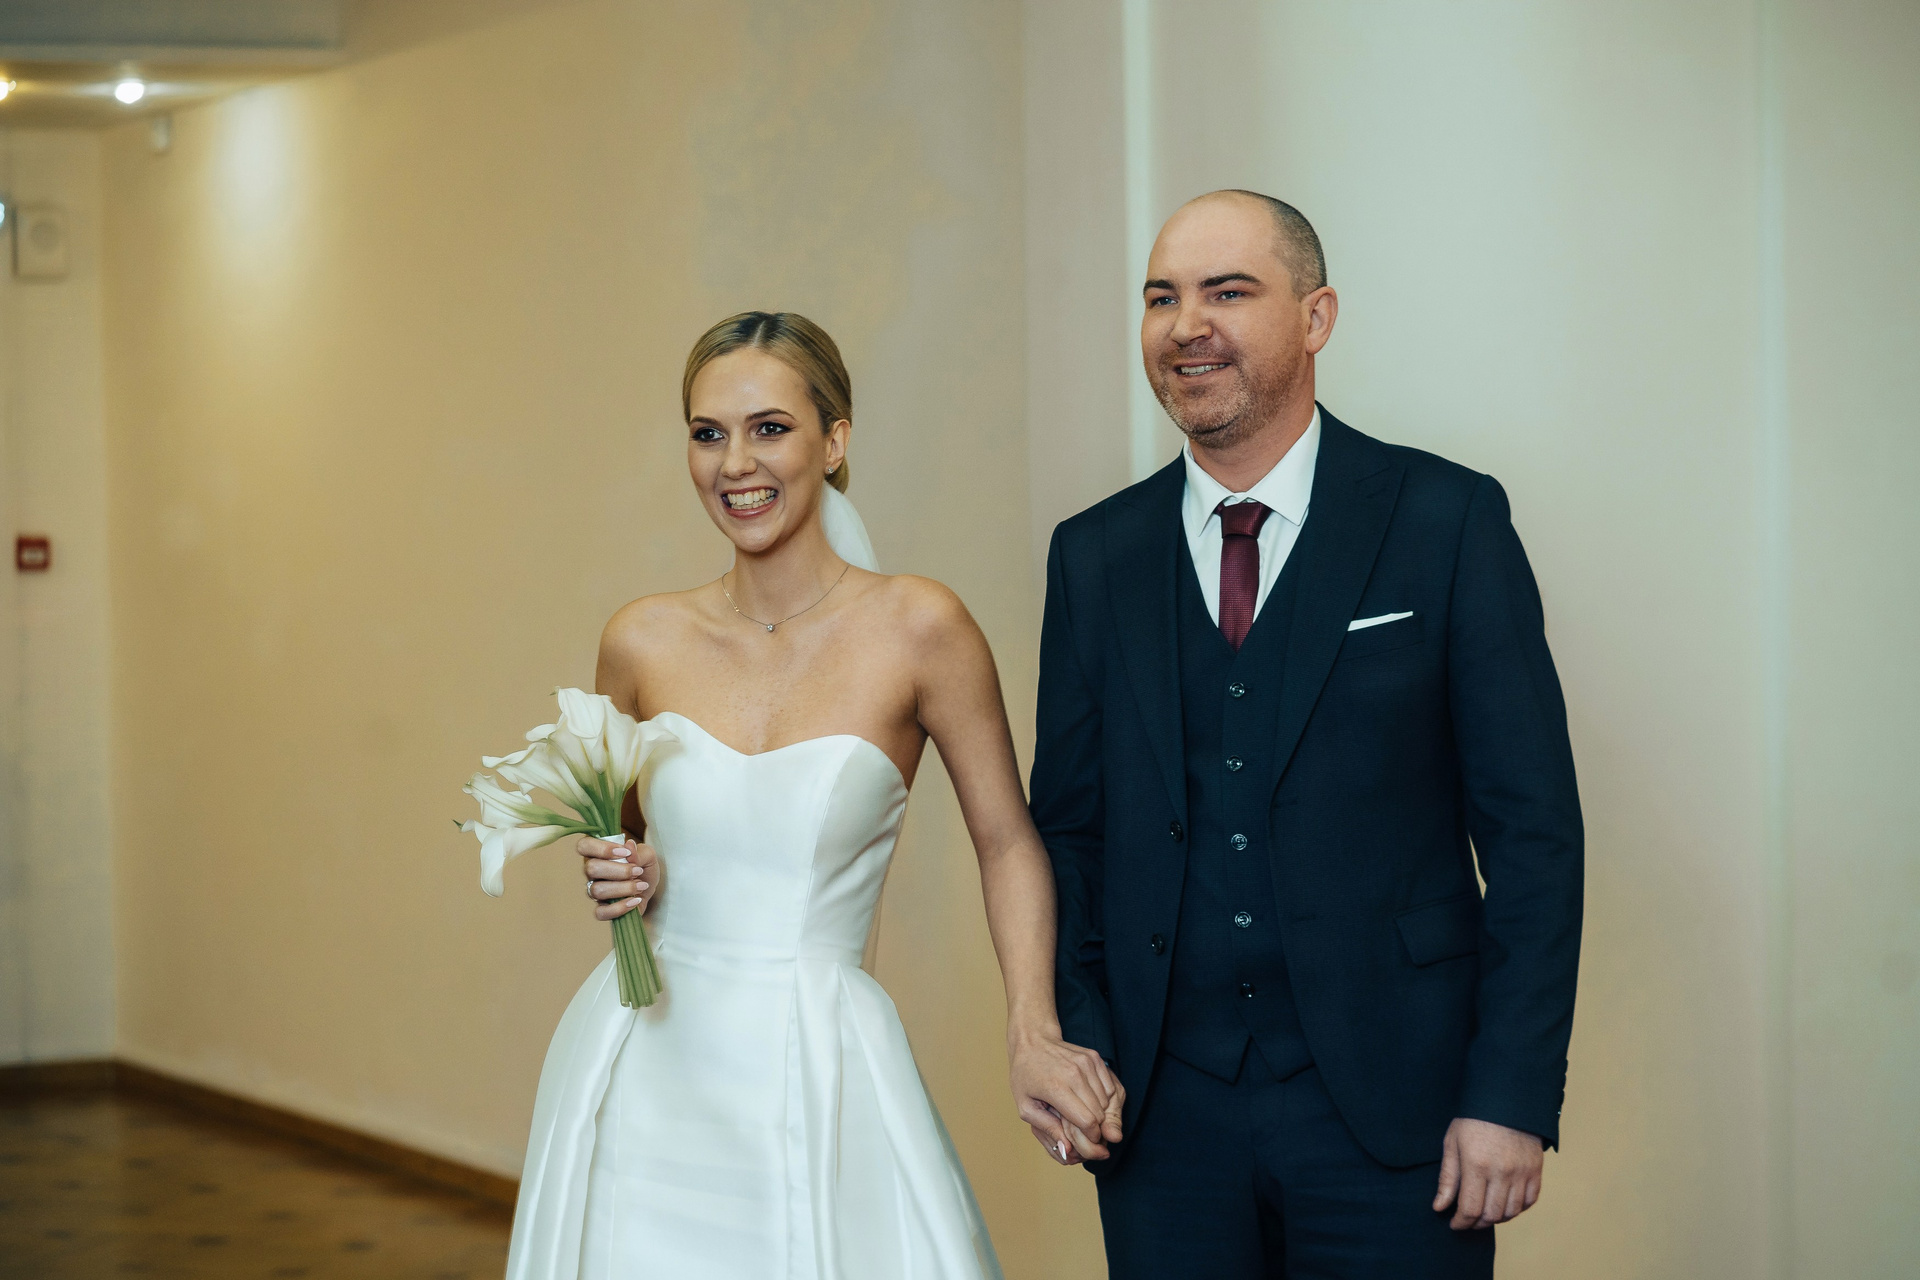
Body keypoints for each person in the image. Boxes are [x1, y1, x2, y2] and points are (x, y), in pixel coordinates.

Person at [1030, 190, 1584, 1278]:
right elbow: (1069, 833)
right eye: (1162, 297)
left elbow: (1533, 834)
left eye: (1228, 291)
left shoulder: (1447, 520)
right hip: (1161, 1119)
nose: (1187, 324)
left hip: (1403, 1109)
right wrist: (1080, 1036)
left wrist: (1511, 1093)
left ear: (1317, 316)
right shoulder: (1093, 554)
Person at [519, 311, 1120, 1279]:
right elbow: (627, 836)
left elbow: (1008, 841)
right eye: (708, 433)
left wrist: (1034, 1032)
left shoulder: (922, 627)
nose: (734, 464)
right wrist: (624, 871)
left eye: (770, 428)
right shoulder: (640, 640)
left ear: (835, 440)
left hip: (818, 1058)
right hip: (646, 1064)